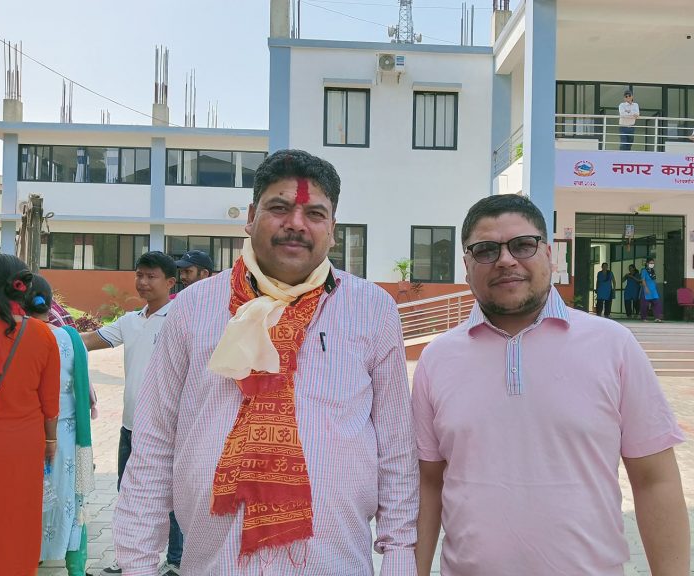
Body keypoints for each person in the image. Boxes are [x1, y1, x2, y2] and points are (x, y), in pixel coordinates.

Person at [113, 149, 418, 575]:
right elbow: (155, 443)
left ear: (332, 229)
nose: (296, 223)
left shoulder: (373, 309)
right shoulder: (194, 308)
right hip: (214, 563)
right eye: (279, 208)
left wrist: (399, 557)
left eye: (315, 213)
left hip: (334, 562)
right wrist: (137, 565)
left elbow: (397, 449)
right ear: (252, 215)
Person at [413, 194, 690, 576]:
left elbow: (654, 481)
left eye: (522, 245)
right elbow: (427, 485)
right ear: (466, 266)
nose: (505, 260)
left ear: (549, 255)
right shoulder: (437, 359)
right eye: (486, 250)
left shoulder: (613, 346)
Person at [80, 251, 178, 576]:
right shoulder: (130, 321)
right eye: (139, 275)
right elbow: (88, 341)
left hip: (169, 428)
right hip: (131, 426)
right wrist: (46, 336)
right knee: (128, 494)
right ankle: (129, 559)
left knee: (173, 498)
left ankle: (176, 560)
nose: (143, 282)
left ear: (170, 282)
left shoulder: (180, 318)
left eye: (151, 276)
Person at [0, 254, 61, 575]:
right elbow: (50, 402)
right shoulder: (43, 334)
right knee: (19, 516)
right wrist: (51, 441)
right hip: (24, 443)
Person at [24, 275, 96, 576]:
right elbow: (86, 390)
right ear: (51, 304)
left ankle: (30, 556)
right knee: (71, 497)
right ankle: (75, 566)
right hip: (67, 431)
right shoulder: (70, 338)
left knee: (29, 497)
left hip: (28, 429)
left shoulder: (18, 337)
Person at [640, 258, 663, 322]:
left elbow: (654, 280)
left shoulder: (653, 271)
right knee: (645, 305)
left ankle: (657, 317)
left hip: (653, 290)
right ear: (647, 263)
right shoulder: (644, 271)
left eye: (653, 263)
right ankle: (644, 318)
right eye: (651, 263)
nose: (652, 264)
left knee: (657, 303)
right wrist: (646, 287)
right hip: (647, 289)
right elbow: (643, 280)